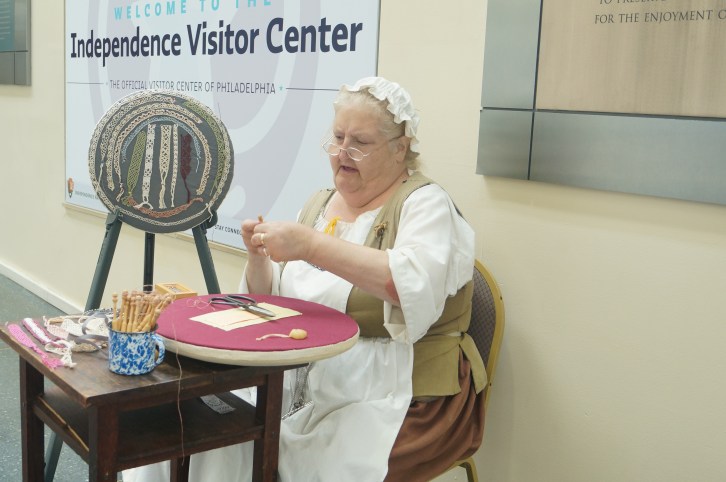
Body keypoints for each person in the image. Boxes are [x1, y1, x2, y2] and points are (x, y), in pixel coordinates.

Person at [124, 77, 485, 482]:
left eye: (360, 143)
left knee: (308, 462)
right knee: (200, 431)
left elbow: (407, 287)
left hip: (393, 390)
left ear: (400, 148)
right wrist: (259, 260)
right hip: (299, 375)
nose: (342, 153)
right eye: (337, 138)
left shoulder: (425, 204)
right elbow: (277, 301)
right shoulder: (319, 203)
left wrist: (311, 246)